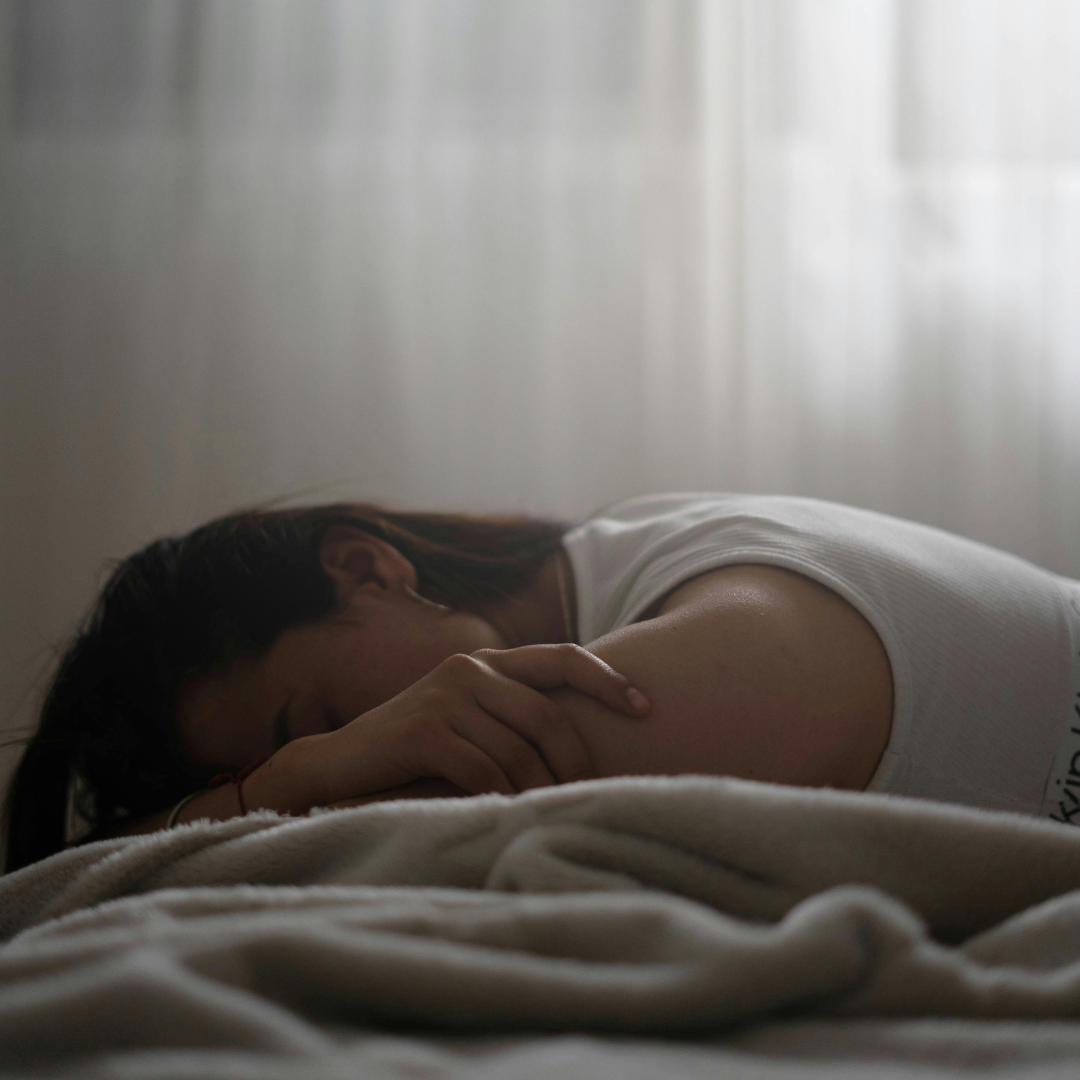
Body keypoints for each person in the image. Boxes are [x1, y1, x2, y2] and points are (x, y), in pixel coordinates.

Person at [5, 492, 1079, 875]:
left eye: (322, 722)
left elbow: (86, 886)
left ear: (365, 568)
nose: (350, 761)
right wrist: (275, 782)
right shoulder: (622, 571)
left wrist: (280, 793)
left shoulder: (725, 600)